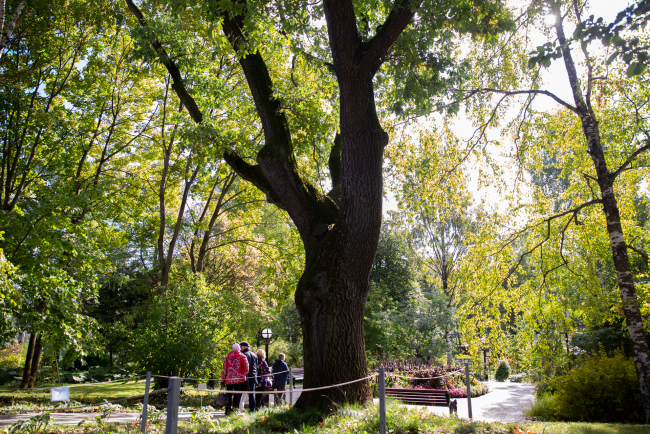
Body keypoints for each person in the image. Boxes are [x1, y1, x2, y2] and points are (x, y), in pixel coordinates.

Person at [221, 343, 248, 416]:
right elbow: (246, 367)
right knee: (237, 395)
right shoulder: (242, 357)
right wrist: (243, 374)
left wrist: (223, 379)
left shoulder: (227, 358)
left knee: (228, 395)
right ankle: (235, 410)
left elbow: (224, 369)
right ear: (239, 349)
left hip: (228, 379)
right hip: (238, 379)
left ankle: (228, 410)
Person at [240, 341, 259, 412]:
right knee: (252, 395)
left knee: (241, 394)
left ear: (244, 347)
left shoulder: (243, 355)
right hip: (253, 377)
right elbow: (256, 367)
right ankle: (252, 411)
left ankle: (240, 408)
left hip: (245, 377)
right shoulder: (254, 355)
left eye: (241, 347)